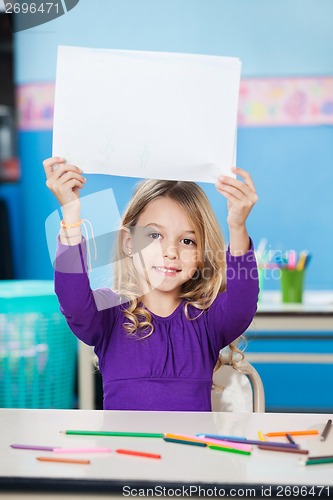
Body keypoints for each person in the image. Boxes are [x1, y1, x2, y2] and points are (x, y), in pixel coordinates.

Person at [43, 157, 259, 411]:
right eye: (155, 235)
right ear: (129, 242)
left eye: (187, 241)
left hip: (189, 451)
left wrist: (237, 227)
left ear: (201, 253)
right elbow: (73, 300)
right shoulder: (109, 316)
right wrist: (70, 213)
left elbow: (242, 304)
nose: (170, 251)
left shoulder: (208, 320)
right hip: (122, 450)